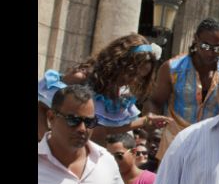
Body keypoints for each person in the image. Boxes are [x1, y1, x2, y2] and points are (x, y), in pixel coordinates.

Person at [38, 33, 172, 144]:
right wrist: (48, 145)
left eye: (141, 77)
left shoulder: (119, 95)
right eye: (132, 73)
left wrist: (146, 120)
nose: (134, 80)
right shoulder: (81, 78)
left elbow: (107, 128)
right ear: (118, 62)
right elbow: (40, 106)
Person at [146, 18, 219, 160]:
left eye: (217, 49)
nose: (210, 53)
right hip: (174, 144)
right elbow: (155, 101)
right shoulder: (172, 68)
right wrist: (152, 125)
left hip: (210, 147)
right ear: (196, 39)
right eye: (206, 46)